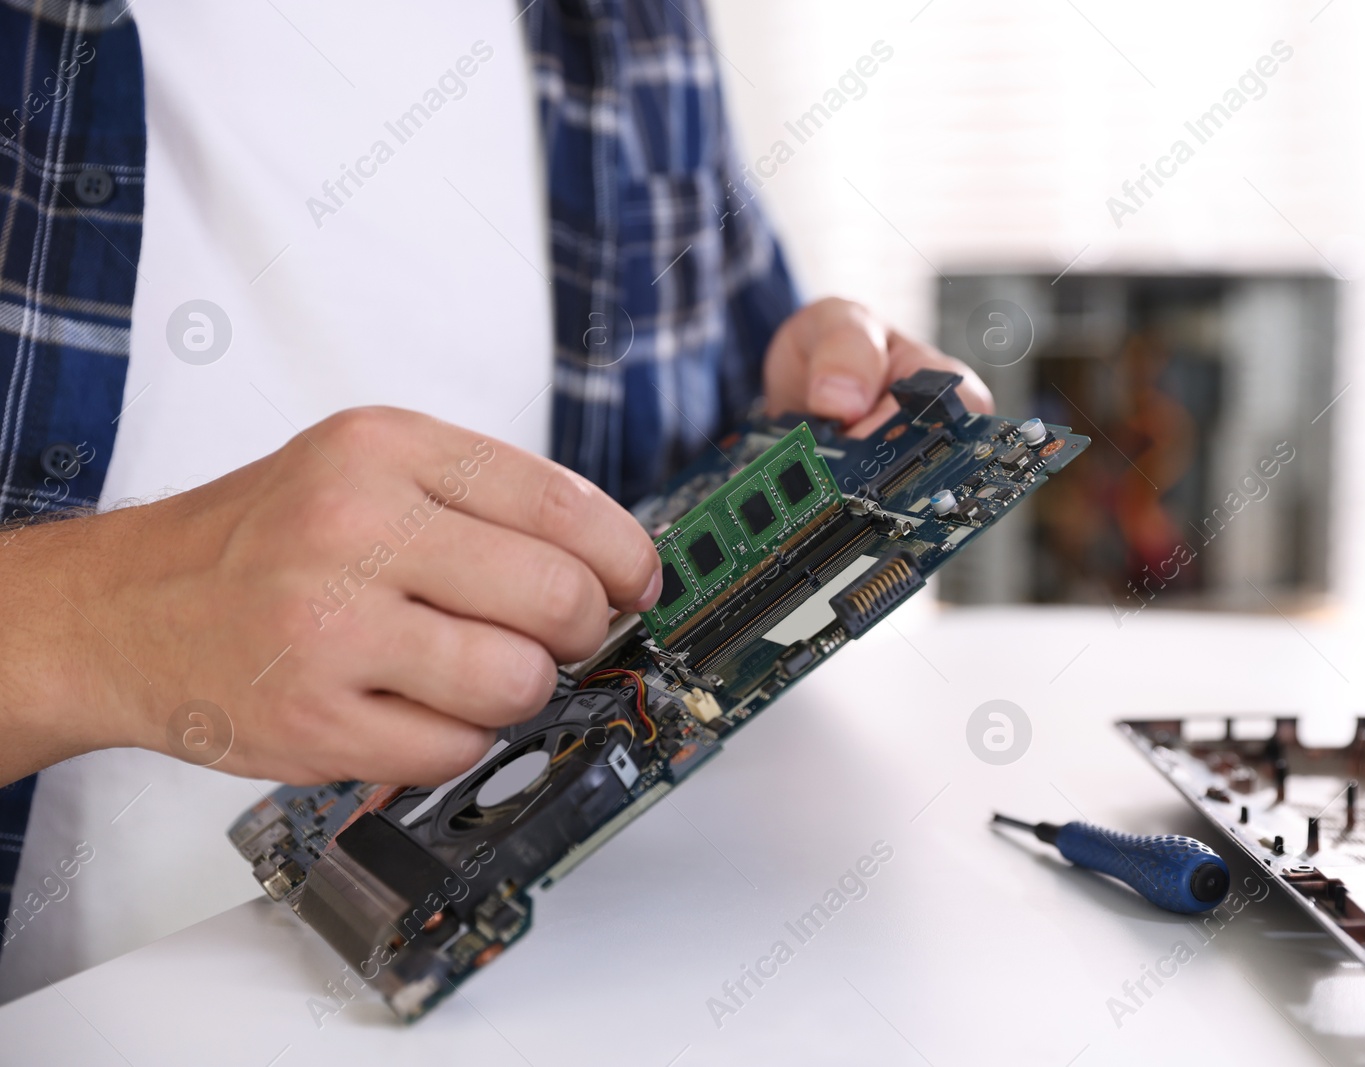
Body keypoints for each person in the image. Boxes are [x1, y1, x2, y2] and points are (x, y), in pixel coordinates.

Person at [0, 0, 989, 997]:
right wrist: (102, 622)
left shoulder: (638, 21)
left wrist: (804, 411)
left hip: (624, 995)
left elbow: (740, 405)